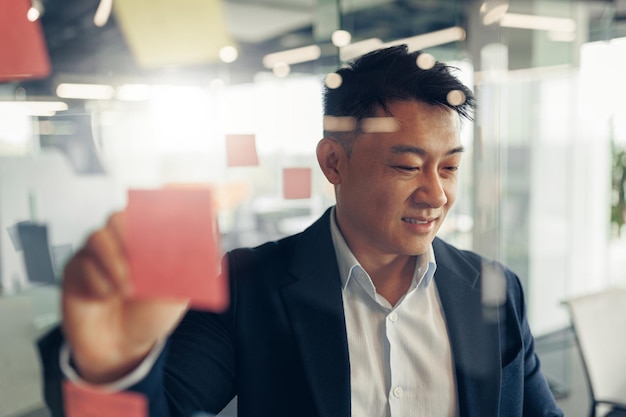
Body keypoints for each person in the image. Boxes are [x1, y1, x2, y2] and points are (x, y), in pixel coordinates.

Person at [38, 45, 563, 417]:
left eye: (448, 167)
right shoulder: (248, 285)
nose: (437, 194)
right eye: (407, 167)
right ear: (334, 162)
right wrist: (110, 371)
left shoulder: (493, 288)